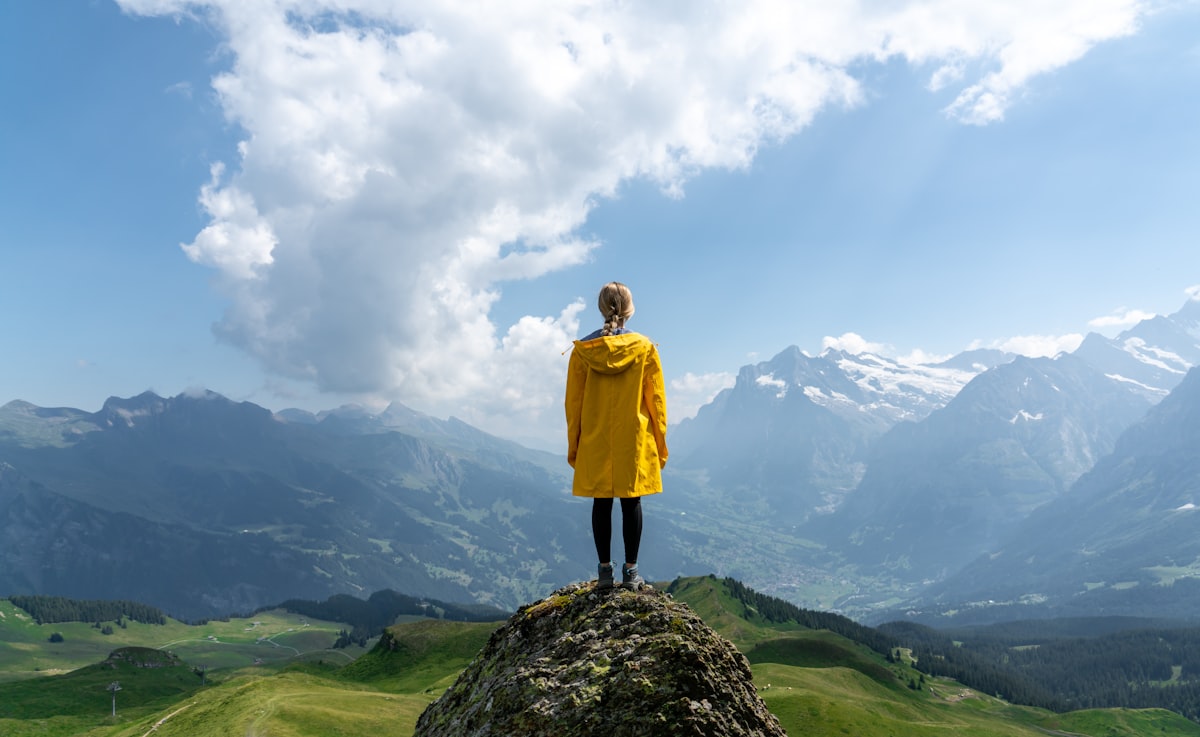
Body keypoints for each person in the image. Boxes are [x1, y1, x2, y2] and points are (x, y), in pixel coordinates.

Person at [565, 281, 668, 590]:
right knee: (630, 500)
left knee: (601, 501)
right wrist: (660, 445)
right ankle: (632, 572)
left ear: (601, 308)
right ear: (629, 309)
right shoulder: (644, 348)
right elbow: (657, 404)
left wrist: (575, 446)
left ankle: (605, 573)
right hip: (633, 438)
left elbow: (573, 404)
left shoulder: (583, 352)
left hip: (596, 436)